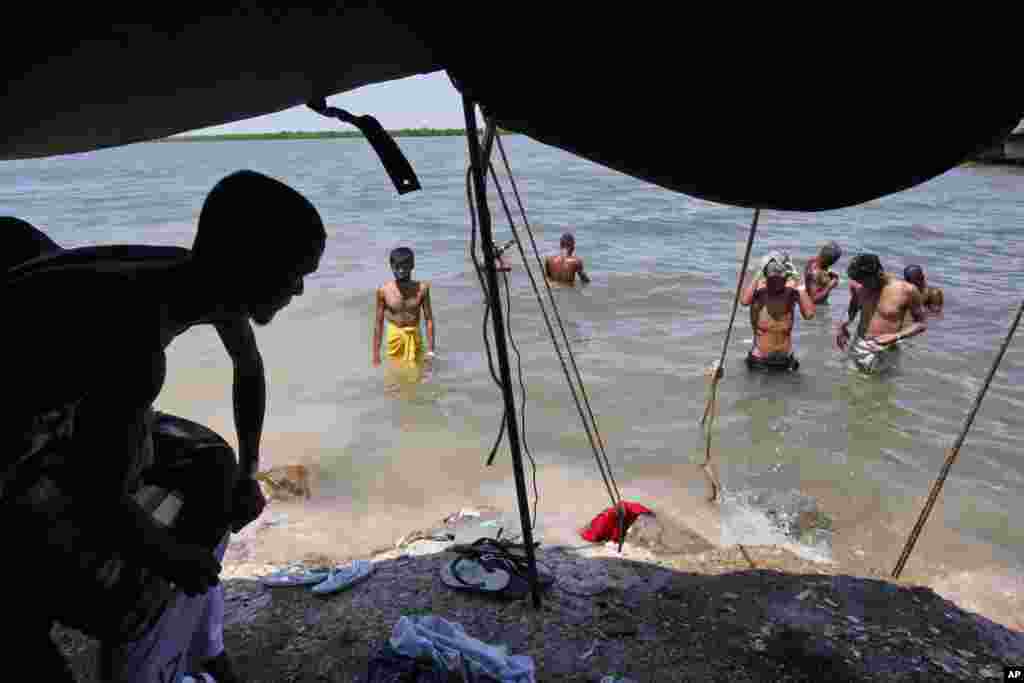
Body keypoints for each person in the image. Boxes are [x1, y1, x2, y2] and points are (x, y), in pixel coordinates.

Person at [3, 170, 326, 682]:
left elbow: (248, 369)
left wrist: (248, 471)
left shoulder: (195, 275)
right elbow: (95, 491)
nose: (302, 289)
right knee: (123, 595)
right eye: (297, 273)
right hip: (16, 444)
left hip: (56, 410)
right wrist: (169, 554)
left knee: (212, 462)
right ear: (252, 265)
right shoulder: (134, 332)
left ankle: (196, 648)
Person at [836, 253, 926, 375]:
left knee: (880, 391)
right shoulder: (859, 287)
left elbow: (921, 324)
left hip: (885, 350)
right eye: (859, 281)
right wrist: (842, 325)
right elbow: (853, 307)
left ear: (879, 273)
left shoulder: (907, 290)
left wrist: (896, 336)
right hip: (858, 345)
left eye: (864, 281)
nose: (862, 285)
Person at [740, 252, 816, 371]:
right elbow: (744, 301)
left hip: (785, 359)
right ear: (765, 277)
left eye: (778, 279)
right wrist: (758, 273)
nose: (774, 284)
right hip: (760, 360)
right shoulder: (760, 293)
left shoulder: (791, 292)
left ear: (785, 277)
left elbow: (809, 314)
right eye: (771, 279)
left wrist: (799, 282)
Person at [373, 247, 435, 368]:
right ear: (391, 266)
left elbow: (429, 319)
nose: (401, 270)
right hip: (394, 338)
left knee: (417, 373)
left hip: (414, 335)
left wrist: (431, 350)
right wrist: (376, 354)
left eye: (405, 266)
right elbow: (378, 323)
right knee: (394, 373)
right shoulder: (384, 291)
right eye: (397, 267)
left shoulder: (422, 289)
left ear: (412, 265)